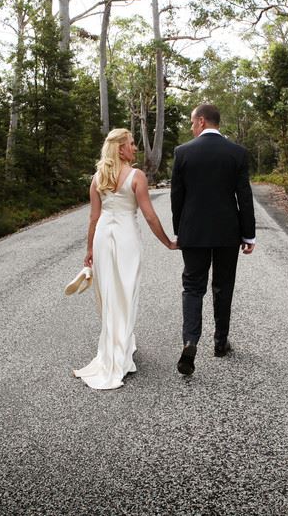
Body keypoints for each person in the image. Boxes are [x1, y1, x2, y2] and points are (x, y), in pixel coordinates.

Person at [74, 128, 177, 390]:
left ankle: (118, 344)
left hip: (102, 239)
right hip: (126, 238)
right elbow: (150, 216)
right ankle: (119, 351)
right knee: (126, 292)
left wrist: (89, 250)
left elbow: (94, 218)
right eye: (131, 144)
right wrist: (168, 242)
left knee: (110, 295)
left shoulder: (98, 177)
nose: (135, 148)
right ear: (120, 148)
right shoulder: (136, 176)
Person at [170, 104, 256, 376]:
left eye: (192, 122)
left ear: (202, 121)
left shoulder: (183, 153)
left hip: (193, 232)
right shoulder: (237, 153)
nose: (191, 128)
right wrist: (248, 233)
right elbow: (244, 196)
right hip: (227, 233)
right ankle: (220, 342)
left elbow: (177, 198)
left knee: (193, 287)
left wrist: (179, 232)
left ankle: (190, 341)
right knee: (223, 286)